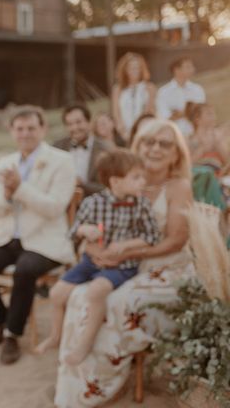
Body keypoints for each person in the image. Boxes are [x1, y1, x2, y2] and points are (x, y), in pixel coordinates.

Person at [55, 119, 194, 407]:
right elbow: (93, 225)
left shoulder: (178, 186)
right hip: (120, 265)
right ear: (137, 146)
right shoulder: (120, 184)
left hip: (166, 268)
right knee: (79, 296)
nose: (155, 148)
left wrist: (128, 254)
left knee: (117, 303)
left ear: (176, 153)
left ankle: (106, 382)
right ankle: (78, 380)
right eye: (148, 141)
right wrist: (93, 248)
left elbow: (176, 240)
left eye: (164, 143)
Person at [0, 105, 76, 365]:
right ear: (12, 132)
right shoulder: (6, 163)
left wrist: (20, 188)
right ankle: (2, 321)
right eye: (20, 128)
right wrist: (6, 194)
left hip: (46, 240)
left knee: (24, 270)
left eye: (31, 128)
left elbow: (55, 208)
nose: (25, 134)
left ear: (43, 129)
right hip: (9, 237)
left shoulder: (62, 161)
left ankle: (12, 336)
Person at [35, 149, 161, 364]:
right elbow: (73, 231)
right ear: (116, 181)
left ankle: (84, 344)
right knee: (56, 294)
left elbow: (151, 237)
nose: (143, 182)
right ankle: (55, 337)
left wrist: (123, 246)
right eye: (136, 177)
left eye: (143, 176)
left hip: (121, 266)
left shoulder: (141, 205)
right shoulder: (93, 202)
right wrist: (86, 230)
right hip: (91, 261)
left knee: (96, 291)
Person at [54, 105, 111, 196]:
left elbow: (108, 186)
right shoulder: (58, 147)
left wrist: (82, 184)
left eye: (78, 122)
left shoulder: (105, 149)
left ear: (89, 122)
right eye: (70, 124)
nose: (75, 128)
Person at [111, 52, 156, 141]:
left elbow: (150, 110)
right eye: (131, 67)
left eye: (138, 67)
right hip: (124, 133)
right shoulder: (118, 89)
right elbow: (116, 112)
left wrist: (140, 130)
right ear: (125, 69)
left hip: (144, 131)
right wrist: (122, 131)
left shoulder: (149, 87)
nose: (135, 70)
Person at [156, 57, 206, 136]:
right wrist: (189, 111)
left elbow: (201, 114)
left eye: (192, 66)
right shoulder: (163, 92)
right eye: (188, 67)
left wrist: (179, 113)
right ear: (177, 70)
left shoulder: (198, 89)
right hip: (173, 135)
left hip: (195, 134)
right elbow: (164, 118)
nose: (193, 69)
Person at [186, 103, 228, 174]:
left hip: (218, 177)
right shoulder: (190, 139)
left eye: (214, 114)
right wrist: (202, 149)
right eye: (209, 114)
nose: (214, 117)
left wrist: (218, 144)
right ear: (197, 119)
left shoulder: (217, 138)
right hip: (198, 176)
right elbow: (187, 165)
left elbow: (227, 161)